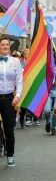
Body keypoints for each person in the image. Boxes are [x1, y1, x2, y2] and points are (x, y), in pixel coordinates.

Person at [0, 36, 23, 166]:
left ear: (9, 46)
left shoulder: (15, 61)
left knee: (9, 130)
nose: (4, 46)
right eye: (2, 44)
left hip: (9, 99)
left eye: (6, 44)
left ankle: (10, 155)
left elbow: (19, 81)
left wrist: (17, 96)